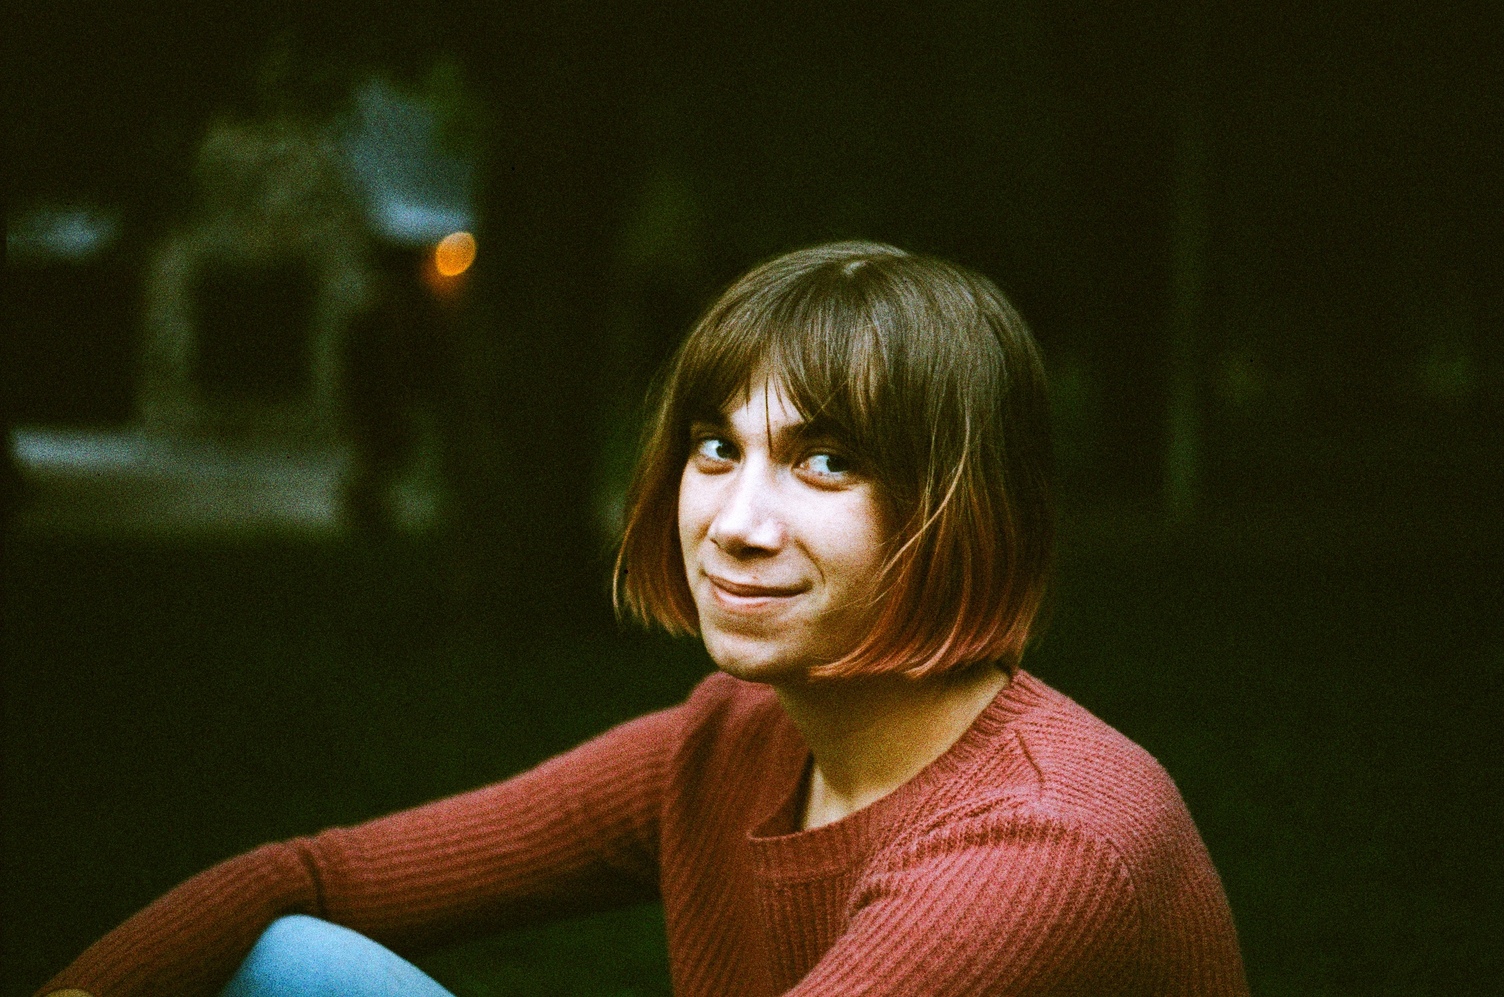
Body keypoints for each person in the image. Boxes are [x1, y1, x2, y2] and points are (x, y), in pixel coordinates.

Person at [39, 241, 1249, 997]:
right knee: (289, 962)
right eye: (718, 447)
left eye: (826, 463)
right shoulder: (731, 741)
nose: (734, 519)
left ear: (958, 509)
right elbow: (321, 875)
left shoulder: (1041, 846)